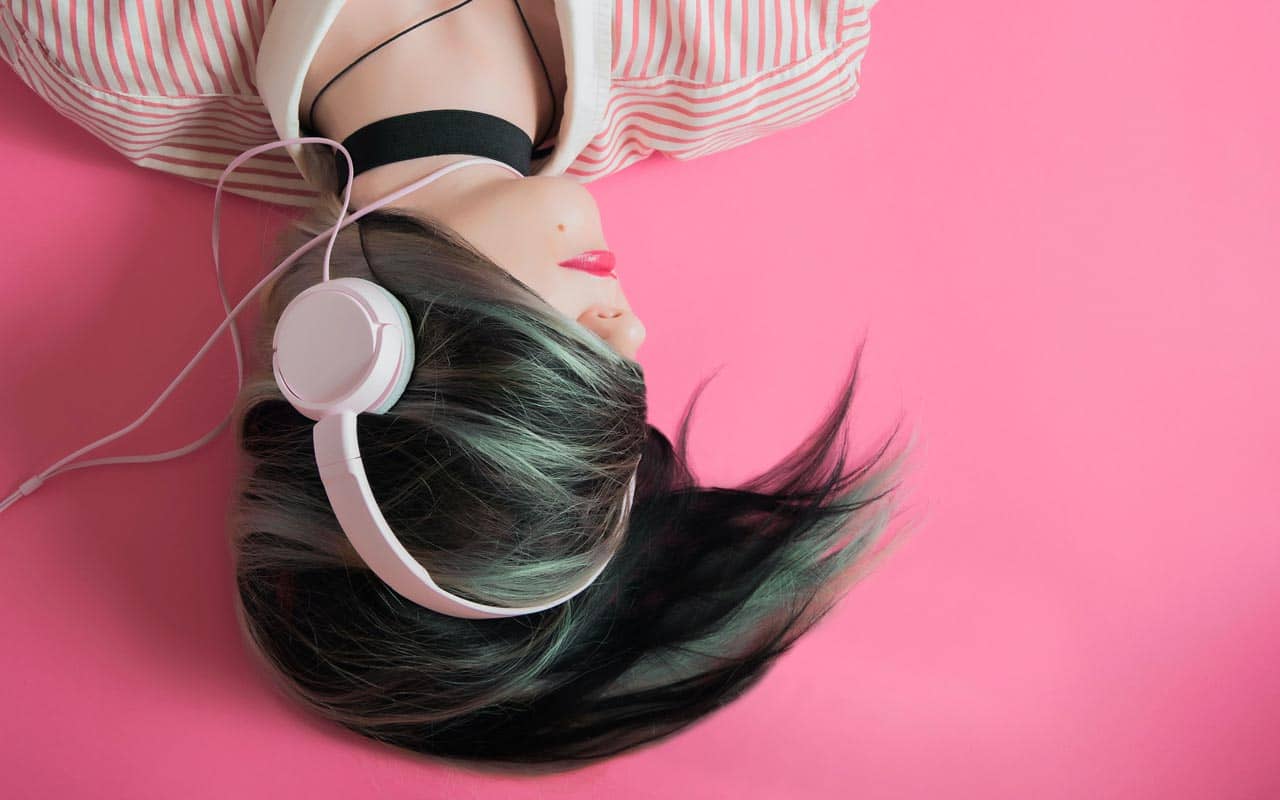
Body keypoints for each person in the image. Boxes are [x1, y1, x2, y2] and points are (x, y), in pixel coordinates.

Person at [1, 0, 912, 772]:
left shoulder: (99, 39)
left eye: (564, 375)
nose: (630, 336)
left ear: (352, 353)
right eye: (621, 402)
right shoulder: (771, 38)